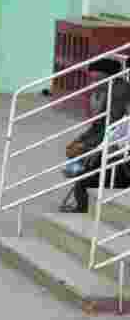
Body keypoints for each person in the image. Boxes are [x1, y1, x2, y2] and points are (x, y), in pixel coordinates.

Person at [60, 58, 130, 214]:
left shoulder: (119, 92)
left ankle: (82, 201)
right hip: (108, 139)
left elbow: (113, 126)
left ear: (110, 76)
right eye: (92, 79)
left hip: (116, 144)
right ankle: (80, 182)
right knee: (78, 154)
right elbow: (98, 125)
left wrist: (86, 146)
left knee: (88, 165)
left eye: (98, 79)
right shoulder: (103, 92)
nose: (94, 83)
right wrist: (80, 141)